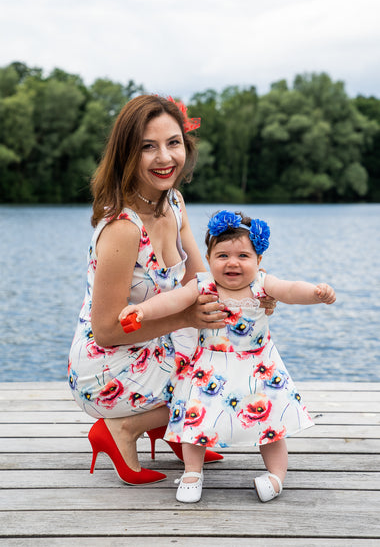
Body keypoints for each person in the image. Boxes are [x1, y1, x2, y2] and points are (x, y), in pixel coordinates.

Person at [68, 95, 276, 486]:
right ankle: (122, 430)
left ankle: (178, 432)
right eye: (148, 146)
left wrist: (255, 295)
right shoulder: (123, 229)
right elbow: (108, 331)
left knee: (226, 339)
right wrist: (184, 317)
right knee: (210, 369)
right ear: (127, 154)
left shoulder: (173, 202)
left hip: (151, 343)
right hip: (106, 365)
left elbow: (203, 281)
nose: (165, 157)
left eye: (173, 143)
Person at [118, 210, 336, 502]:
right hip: (210, 367)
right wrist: (143, 310)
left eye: (243, 256)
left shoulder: (262, 285)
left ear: (258, 261)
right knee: (196, 418)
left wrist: (315, 293)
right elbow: (170, 301)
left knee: (271, 425)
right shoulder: (203, 286)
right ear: (209, 260)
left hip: (259, 368)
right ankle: (192, 472)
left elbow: (290, 290)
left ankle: (276, 476)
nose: (233, 263)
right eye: (222, 256)